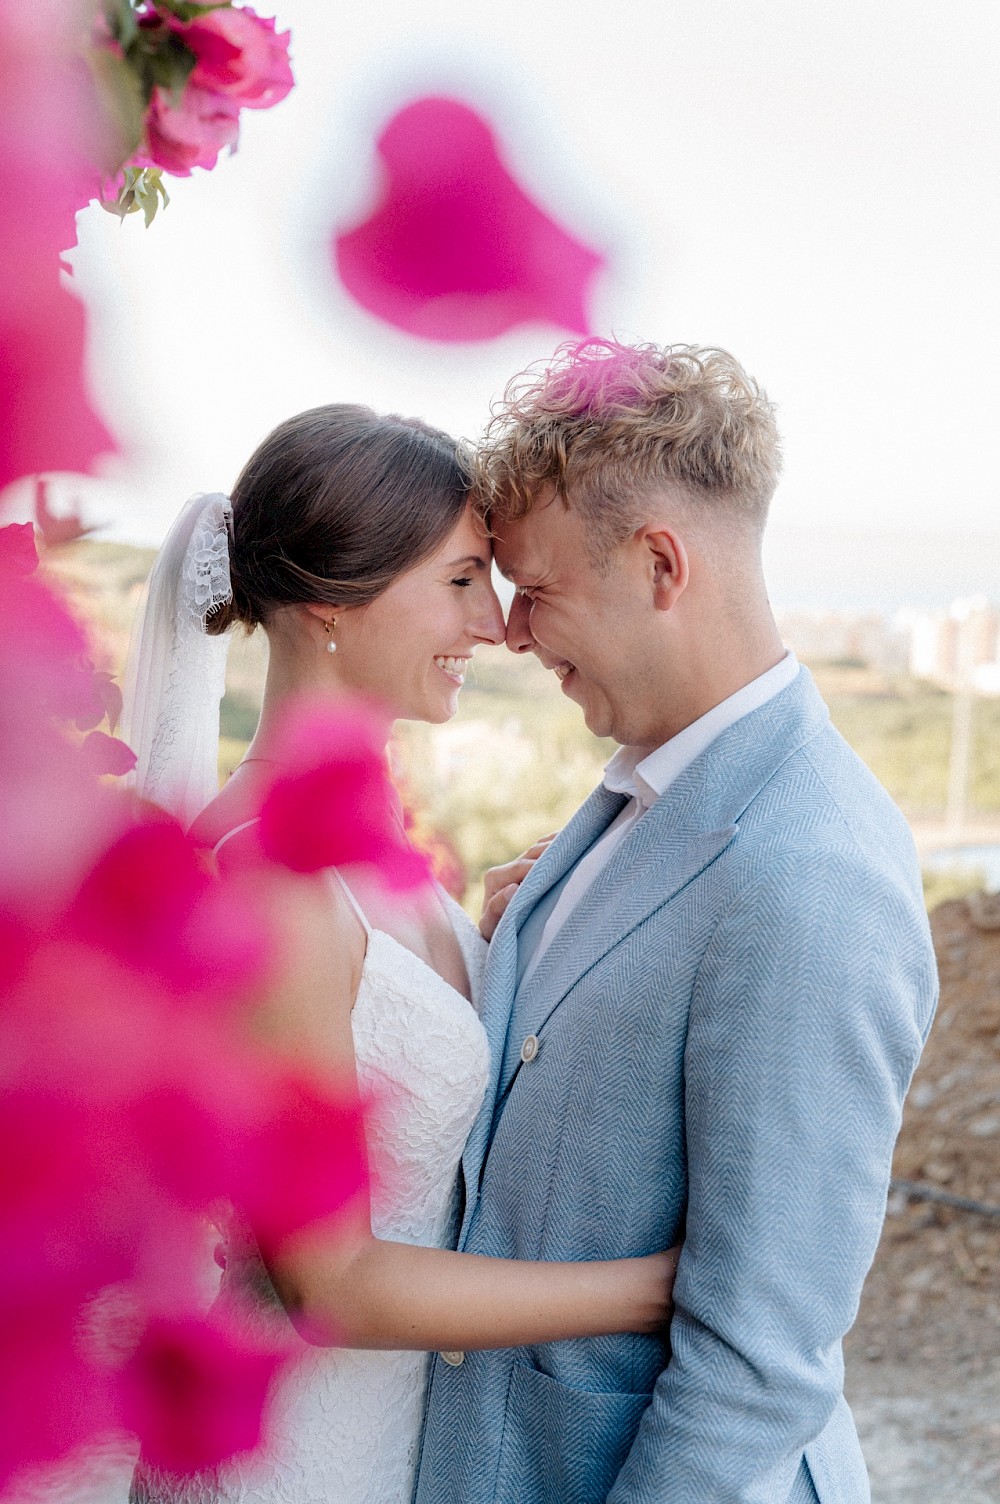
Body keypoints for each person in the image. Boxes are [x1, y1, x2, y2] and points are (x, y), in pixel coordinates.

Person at [122, 404, 677, 1504]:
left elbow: (367, 1034)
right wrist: (660, 1286)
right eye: (463, 579)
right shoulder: (270, 881)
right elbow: (334, 1281)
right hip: (294, 1461)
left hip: (392, 1445)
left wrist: (484, 946)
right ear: (333, 604)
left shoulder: (361, 853)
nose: (496, 625)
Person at [415, 341, 938, 1504]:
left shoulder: (812, 876)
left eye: (537, 588)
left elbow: (755, 1365)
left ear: (659, 564)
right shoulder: (645, 787)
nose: (510, 632)